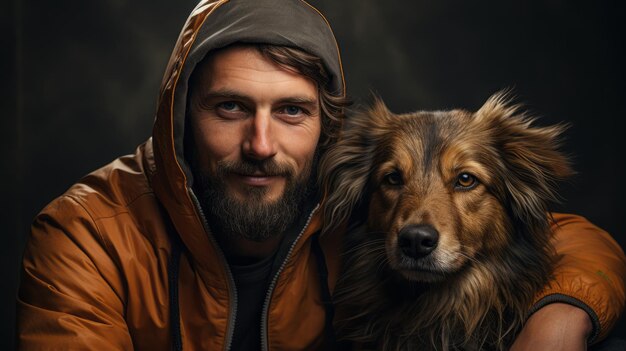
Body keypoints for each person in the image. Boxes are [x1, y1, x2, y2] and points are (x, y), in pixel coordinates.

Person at [16, 0, 626, 350]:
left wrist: (560, 316)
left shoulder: (347, 206)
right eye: (230, 107)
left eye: (291, 111)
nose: (261, 145)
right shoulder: (86, 234)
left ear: (325, 126)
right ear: (180, 116)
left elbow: (567, 236)